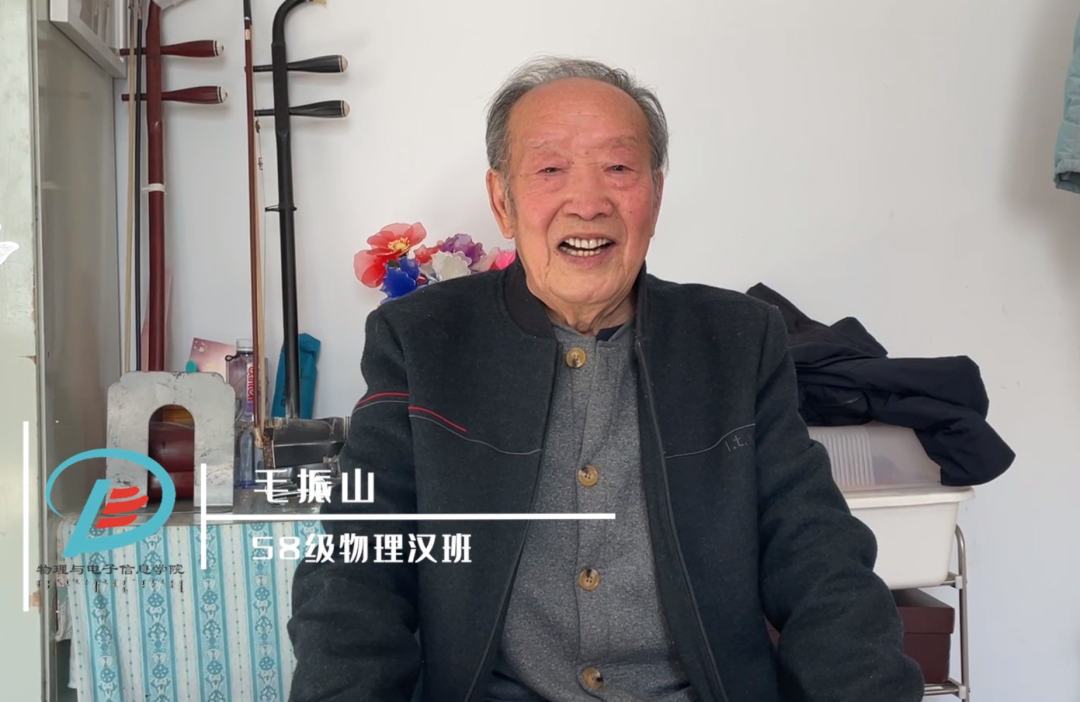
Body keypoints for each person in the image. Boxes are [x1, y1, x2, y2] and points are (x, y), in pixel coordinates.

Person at [287, 56, 925, 702]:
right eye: (550, 169)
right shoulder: (423, 339)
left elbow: (819, 560)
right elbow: (356, 568)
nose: (588, 203)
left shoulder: (736, 340)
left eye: (618, 168)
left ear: (656, 195)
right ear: (502, 201)